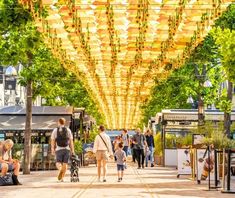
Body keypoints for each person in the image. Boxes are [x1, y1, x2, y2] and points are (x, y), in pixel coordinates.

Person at [51, 117, 74, 182]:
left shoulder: (55, 130)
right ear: (64, 122)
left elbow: (52, 140)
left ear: (59, 122)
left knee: (58, 163)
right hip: (67, 149)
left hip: (59, 149)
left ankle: (60, 169)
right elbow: (71, 141)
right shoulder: (68, 130)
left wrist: (52, 148)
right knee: (65, 164)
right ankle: (62, 178)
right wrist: (72, 150)